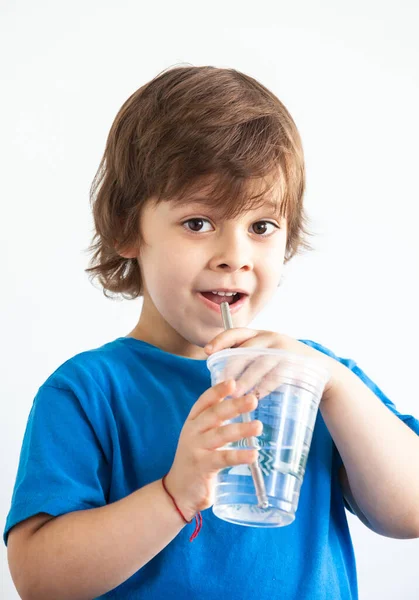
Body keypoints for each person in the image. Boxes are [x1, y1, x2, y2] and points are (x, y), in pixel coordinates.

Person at [4, 65, 419, 600]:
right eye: (199, 223)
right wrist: (174, 495)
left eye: (261, 227)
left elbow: (409, 509)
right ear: (130, 229)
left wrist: (333, 386)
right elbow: (40, 579)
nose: (234, 258)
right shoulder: (89, 391)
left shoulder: (311, 378)